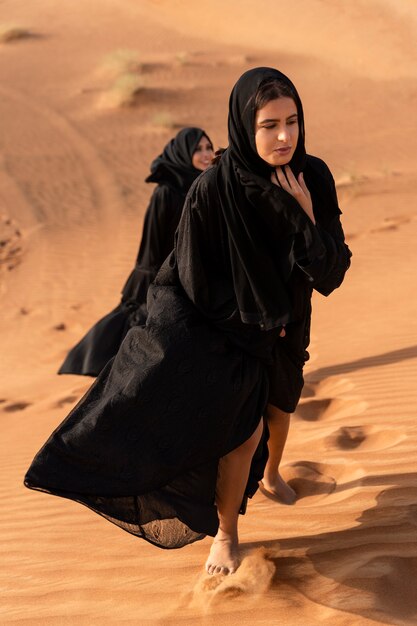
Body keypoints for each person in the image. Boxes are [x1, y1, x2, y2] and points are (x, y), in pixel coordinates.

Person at [25, 67, 351, 576]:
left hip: (289, 320)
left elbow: (333, 271)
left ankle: (274, 472)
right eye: (269, 125)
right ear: (245, 126)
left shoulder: (315, 177)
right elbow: (198, 282)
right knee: (242, 435)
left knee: (282, 408)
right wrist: (258, 323)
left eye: (292, 121)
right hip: (229, 331)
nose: (285, 136)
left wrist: (305, 218)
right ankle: (226, 535)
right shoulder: (211, 192)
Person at [58, 127, 214, 376]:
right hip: (163, 277)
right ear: (184, 153)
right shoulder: (165, 193)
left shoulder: (203, 188)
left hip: (192, 278)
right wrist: (149, 284)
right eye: (199, 149)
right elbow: (152, 245)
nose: (206, 154)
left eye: (209, 148)